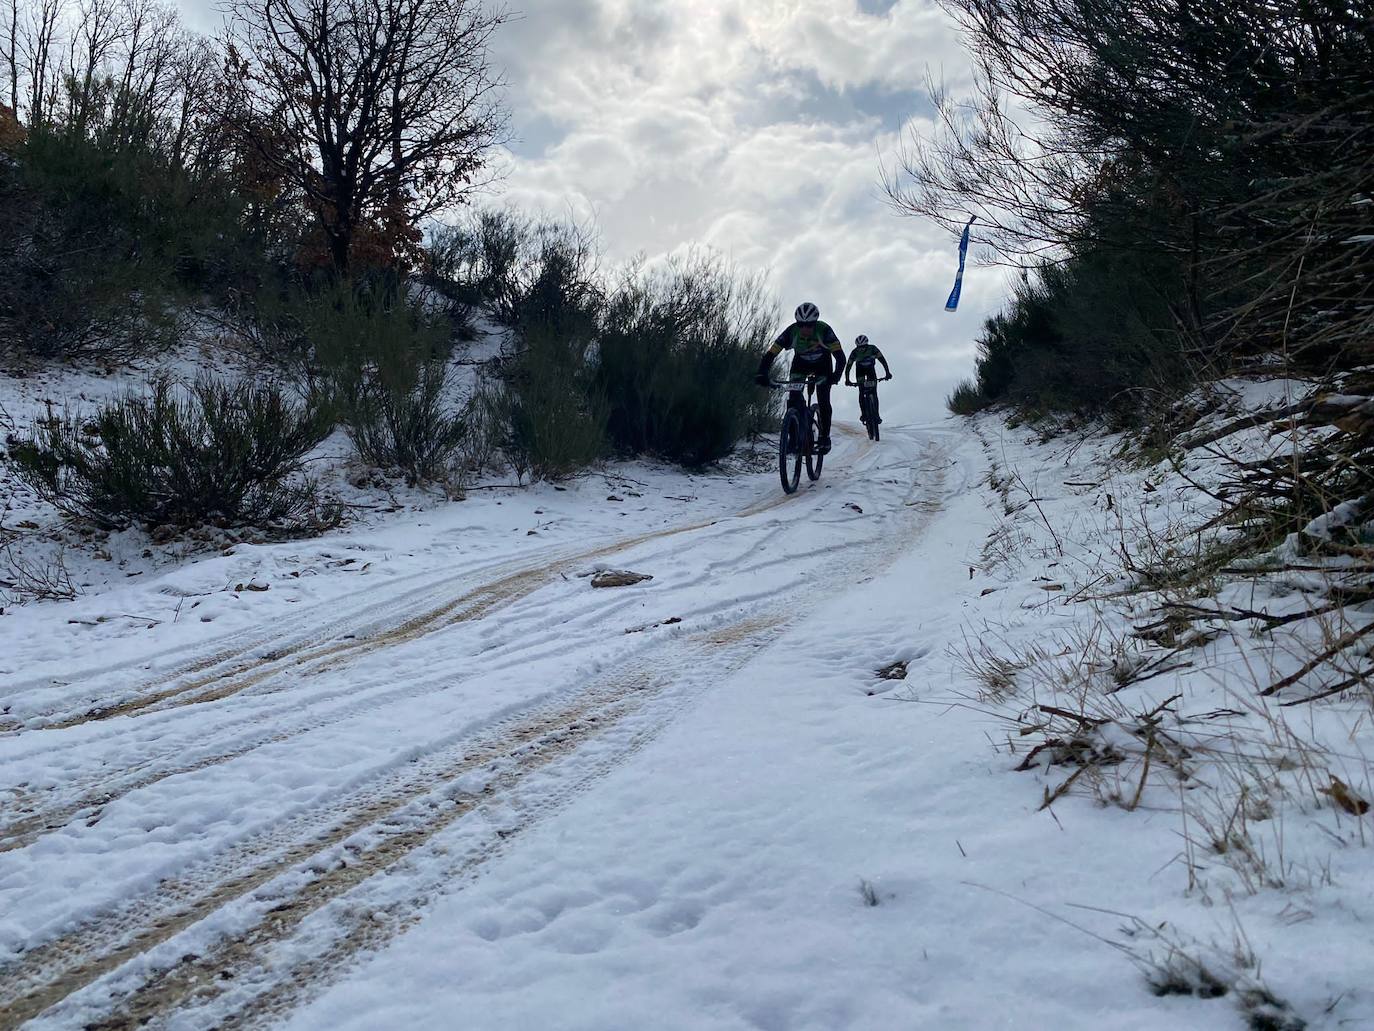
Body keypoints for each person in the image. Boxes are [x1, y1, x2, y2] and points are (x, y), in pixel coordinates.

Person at [754, 302, 845, 453]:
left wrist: (835, 376)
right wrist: (761, 373)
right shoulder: (791, 332)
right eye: (801, 324)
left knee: (823, 398)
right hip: (800, 365)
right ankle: (794, 438)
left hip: (823, 365)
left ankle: (824, 437)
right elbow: (771, 354)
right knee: (793, 400)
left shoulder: (825, 331)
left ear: (815, 323)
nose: (805, 328)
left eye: (809, 325)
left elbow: (840, 358)